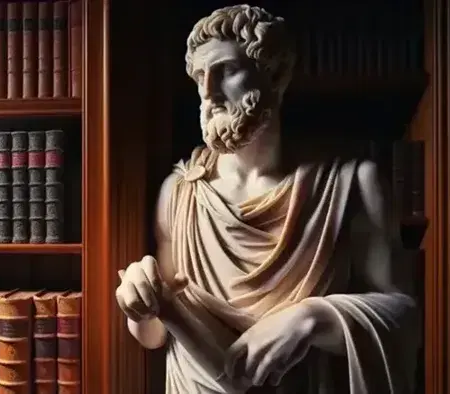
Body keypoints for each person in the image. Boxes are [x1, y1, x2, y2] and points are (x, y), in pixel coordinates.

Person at [115, 4, 419, 393]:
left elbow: (404, 320)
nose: (209, 93)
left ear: (275, 76)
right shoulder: (179, 194)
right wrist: (139, 305)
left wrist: (312, 318)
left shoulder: (349, 185)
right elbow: (155, 335)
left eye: (226, 71)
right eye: (200, 78)